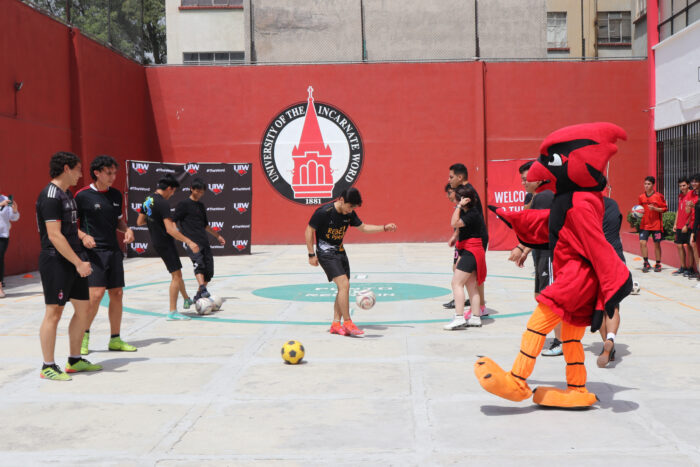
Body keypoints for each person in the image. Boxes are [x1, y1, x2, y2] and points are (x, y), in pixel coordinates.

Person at [36, 152, 102, 381]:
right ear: (66, 168)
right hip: (56, 261)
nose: (81, 174)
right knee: (54, 313)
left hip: (75, 259)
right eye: (78, 169)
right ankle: (47, 366)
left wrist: (82, 239)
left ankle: (74, 360)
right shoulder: (50, 196)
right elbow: (54, 235)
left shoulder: (67, 194)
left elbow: (71, 229)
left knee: (84, 310)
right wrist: (78, 263)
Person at [305, 188, 397, 337]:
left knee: (343, 288)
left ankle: (336, 324)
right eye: (350, 206)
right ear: (341, 200)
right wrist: (311, 254)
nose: (351, 210)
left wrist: (384, 228)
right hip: (326, 253)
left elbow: (364, 228)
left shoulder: (349, 213)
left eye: (354, 208)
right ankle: (348, 322)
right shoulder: (324, 212)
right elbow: (309, 230)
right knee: (344, 285)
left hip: (340, 252)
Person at [75, 155, 137, 355]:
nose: (113, 177)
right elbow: (71, 226)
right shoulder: (82, 196)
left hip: (113, 251)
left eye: (114, 173)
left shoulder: (116, 195)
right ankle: (82, 337)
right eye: (108, 173)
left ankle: (115, 339)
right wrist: (84, 236)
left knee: (117, 294)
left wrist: (127, 229)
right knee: (95, 295)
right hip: (93, 253)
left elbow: (118, 221)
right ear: (97, 173)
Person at [508, 161, 559, 356]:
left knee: (550, 299)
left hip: (550, 253)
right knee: (539, 296)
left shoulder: (545, 197)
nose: (523, 183)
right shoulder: (537, 197)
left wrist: (521, 247)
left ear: (539, 178)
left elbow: (539, 230)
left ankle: (561, 340)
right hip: (540, 252)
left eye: (526, 179)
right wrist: (527, 250)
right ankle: (554, 334)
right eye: (522, 179)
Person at [136, 175, 198, 321]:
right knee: (176, 276)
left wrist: (155, 222)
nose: (172, 195)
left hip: (157, 241)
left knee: (177, 273)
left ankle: (186, 298)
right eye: (173, 192)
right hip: (165, 242)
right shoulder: (162, 203)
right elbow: (170, 230)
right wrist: (189, 242)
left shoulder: (148, 199)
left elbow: (140, 221)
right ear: (170, 188)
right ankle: (172, 312)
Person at [173, 178, 225, 302]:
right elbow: (173, 221)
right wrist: (178, 234)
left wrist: (217, 236)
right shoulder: (183, 204)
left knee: (209, 270)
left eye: (202, 192)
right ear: (191, 189)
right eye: (197, 191)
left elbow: (205, 225)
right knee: (199, 263)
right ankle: (203, 288)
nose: (200, 194)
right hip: (191, 241)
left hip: (203, 241)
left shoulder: (201, 206)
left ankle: (199, 294)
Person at [444, 184, 487, 330]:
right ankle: (475, 317)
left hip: (472, 251)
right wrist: (455, 236)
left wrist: (458, 207)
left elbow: (454, 222)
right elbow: (459, 227)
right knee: (471, 285)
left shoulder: (472, 213)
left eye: (458, 198)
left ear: (464, 200)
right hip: (471, 249)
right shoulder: (468, 212)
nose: (455, 200)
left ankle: (459, 317)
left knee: (456, 283)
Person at [597, 196, 627, 368]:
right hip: (617, 258)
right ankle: (611, 339)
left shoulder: (585, 206)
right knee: (613, 305)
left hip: (598, 260)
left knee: (600, 307)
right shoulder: (612, 204)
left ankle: (607, 347)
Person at [443, 183, 470, 310]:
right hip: (460, 241)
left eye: (449, 193)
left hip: (467, 243)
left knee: (459, 270)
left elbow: (458, 223)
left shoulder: (464, 206)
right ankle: (462, 297)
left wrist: (455, 235)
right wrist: (455, 236)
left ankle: (461, 299)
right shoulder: (459, 206)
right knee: (456, 268)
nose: (448, 196)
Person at [638, 176, 667, 273]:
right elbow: (640, 209)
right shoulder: (641, 197)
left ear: (653, 185)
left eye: (648, 184)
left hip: (656, 226)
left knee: (657, 244)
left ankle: (658, 263)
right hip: (644, 225)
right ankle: (646, 262)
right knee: (642, 242)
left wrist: (655, 209)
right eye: (645, 184)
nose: (646, 186)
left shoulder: (659, 196)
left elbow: (665, 209)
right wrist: (636, 213)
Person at [673, 177, 695, 277]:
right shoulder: (680, 195)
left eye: (684, 185)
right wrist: (675, 223)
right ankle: (683, 267)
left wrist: (686, 225)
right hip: (679, 225)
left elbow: (692, 212)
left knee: (689, 247)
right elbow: (679, 209)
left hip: (688, 226)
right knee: (679, 245)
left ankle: (690, 268)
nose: (682, 187)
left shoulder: (692, 195)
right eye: (680, 186)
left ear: (688, 185)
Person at [0, 191, 20, 298]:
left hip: (2, 235)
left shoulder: (5, 199)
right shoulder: (2, 202)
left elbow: (14, 218)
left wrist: (15, 210)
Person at [690, 174, 700, 285]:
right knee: (696, 249)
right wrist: (693, 233)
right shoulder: (696, 200)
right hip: (697, 229)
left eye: (696, 181)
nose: (694, 184)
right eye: (692, 181)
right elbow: (697, 218)